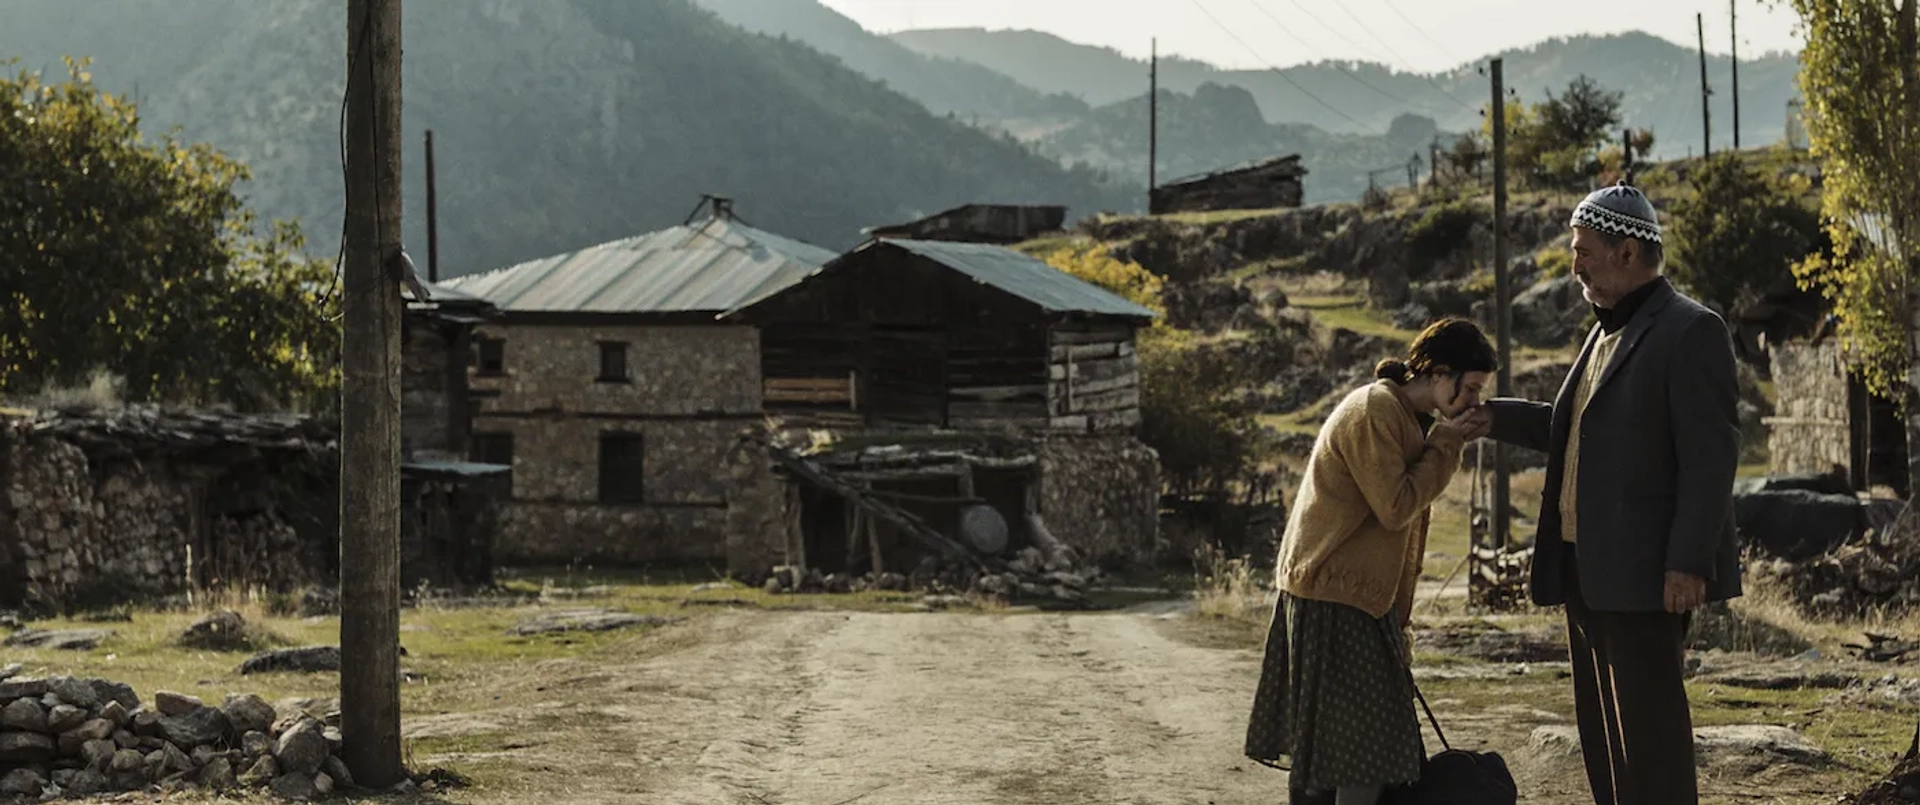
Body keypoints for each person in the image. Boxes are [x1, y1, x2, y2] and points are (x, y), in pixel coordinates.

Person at [1482, 180, 1743, 805]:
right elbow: (1574, 430)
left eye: (1584, 250)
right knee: (1605, 736)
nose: (1574, 265)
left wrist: (1687, 563)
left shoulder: (1691, 331)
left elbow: (1711, 459)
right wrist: (1490, 417)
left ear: (1628, 252)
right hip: (1589, 569)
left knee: (1652, 737)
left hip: (1649, 574)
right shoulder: (1605, 333)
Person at [1246, 318, 1498, 805]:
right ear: (1437, 372)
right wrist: (1448, 443)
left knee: (1352, 752)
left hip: (1357, 601)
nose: (1472, 401)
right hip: (1334, 600)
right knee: (1365, 753)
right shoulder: (1375, 410)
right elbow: (1396, 506)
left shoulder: (1404, 418)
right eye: (1468, 388)